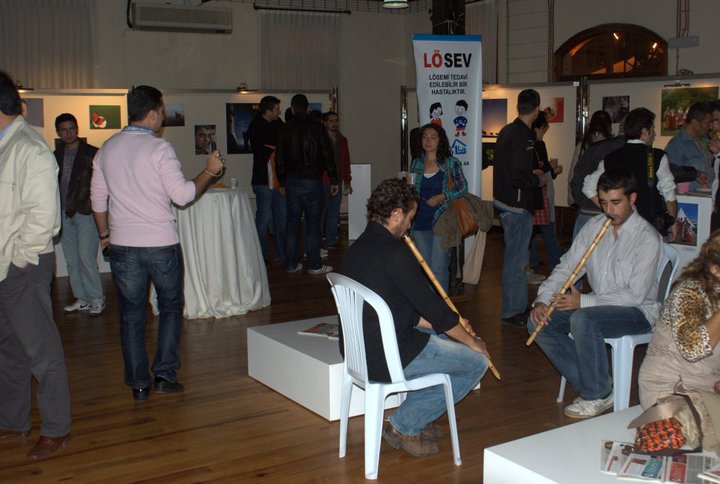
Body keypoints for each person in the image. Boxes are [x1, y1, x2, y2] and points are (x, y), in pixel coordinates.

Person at [90, 85, 224, 402]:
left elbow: (97, 199)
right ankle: (164, 375)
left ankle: (139, 385)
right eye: (162, 110)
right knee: (170, 308)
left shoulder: (106, 148)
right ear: (152, 113)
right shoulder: (159, 149)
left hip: (123, 245)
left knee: (132, 315)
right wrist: (210, 171)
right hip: (161, 243)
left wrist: (105, 236)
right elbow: (183, 196)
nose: (162, 116)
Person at [342, 178, 489, 457]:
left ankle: (418, 413)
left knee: (444, 336)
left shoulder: (359, 247)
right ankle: (405, 425)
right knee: (476, 363)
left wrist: (452, 328)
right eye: (410, 218)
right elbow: (434, 310)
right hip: (387, 355)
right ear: (396, 214)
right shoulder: (395, 254)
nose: (409, 225)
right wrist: (471, 341)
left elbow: (401, 310)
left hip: (360, 349)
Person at [528, 169, 662, 419]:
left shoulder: (647, 239)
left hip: (637, 312)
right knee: (539, 323)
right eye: (603, 202)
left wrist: (583, 301)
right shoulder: (594, 226)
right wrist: (542, 299)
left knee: (583, 319)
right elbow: (567, 267)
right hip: (599, 306)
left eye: (616, 202)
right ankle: (599, 386)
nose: (609, 210)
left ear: (632, 198)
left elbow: (635, 296)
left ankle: (596, 393)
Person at [0, 70, 72, 459]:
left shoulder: (29, 148)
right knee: (8, 348)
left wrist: (18, 260)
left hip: (23, 265)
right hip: (6, 265)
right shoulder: (6, 145)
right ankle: (13, 419)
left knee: (41, 350)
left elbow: (45, 219)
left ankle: (57, 428)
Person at [639, 231, 720, 409]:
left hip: (709, 389)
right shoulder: (689, 293)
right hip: (668, 390)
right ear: (715, 269)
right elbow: (694, 349)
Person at [582, 108, 678, 241]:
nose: (654, 134)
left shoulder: (611, 158)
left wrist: (609, 210)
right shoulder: (657, 156)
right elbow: (668, 192)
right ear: (645, 131)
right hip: (649, 228)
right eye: (653, 129)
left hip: (620, 229)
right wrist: (672, 222)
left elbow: (588, 186)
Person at [493, 88, 546, 327]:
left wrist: (530, 174)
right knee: (516, 262)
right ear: (536, 110)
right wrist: (536, 179)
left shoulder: (510, 131)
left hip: (509, 204)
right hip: (515, 206)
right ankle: (513, 310)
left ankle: (516, 306)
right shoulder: (520, 135)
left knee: (516, 259)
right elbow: (515, 175)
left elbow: (510, 169)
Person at [276, 93, 338, 275]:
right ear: (308, 108)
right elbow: (327, 154)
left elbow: (279, 158)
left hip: (292, 181)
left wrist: (281, 181)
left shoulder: (285, 128)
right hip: (312, 180)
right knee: (313, 224)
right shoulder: (317, 127)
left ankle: (291, 264)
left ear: (292, 108)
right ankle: (314, 265)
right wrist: (333, 178)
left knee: (292, 224)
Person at [54, 113, 105, 316]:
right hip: (63, 213)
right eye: (64, 130)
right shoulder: (55, 155)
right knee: (72, 260)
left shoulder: (92, 153)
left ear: (77, 129)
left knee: (86, 258)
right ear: (58, 132)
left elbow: (101, 184)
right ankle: (82, 299)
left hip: (85, 212)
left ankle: (97, 299)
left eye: (72, 128)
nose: (68, 133)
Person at [409, 123, 468, 292]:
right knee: (426, 269)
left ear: (440, 140)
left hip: (442, 220)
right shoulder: (417, 163)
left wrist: (442, 196)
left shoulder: (450, 163)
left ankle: (441, 307)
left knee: (439, 267)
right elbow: (412, 191)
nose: (428, 141)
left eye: (433, 137)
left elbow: (463, 187)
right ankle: (430, 304)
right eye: (425, 137)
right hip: (420, 221)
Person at [568, 110, 622, 237]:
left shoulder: (582, 145)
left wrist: (572, 199)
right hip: (604, 204)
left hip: (584, 204)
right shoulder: (612, 146)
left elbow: (573, 174)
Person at [248, 95, 286, 264]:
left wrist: (277, 148)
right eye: (277, 109)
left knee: (281, 218)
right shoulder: (256, 126)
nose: (280, 112)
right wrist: (277, 148)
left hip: (279, 179)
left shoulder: (278, 124)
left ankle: (282, 253)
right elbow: (264, 150)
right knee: (264, 219)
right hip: (263, 179)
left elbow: (283, 145)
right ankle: (261, 255)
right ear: (268, 110)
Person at [528, 111, 562, 281]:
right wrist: (552, 169)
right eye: (543, 129)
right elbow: (541, 169)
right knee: (547, 231)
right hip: (539, 194)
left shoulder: (531, 143)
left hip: (534, 195)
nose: (543, 133)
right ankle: (557, 265)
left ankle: (533, 262)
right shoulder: (537, 144)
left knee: (533, 233)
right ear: (538, 127)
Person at [664, 101, 713, 192]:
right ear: (695, 122)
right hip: (694, 198)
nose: (710, 127)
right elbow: (672, 181)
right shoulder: (675, 146)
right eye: (707, 123)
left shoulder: (709, 141)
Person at [321, 111, 352, 249]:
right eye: (331, 121)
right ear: (325, 123)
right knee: (322, 212)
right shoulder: (321, 138)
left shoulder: (342, 140)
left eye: (336, 120)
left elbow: (345, 161)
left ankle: (331, 240)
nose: (335, 123)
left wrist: (347, 180)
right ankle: (318, 242)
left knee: (333, 212)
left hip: (337, 180)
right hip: (323, 180)